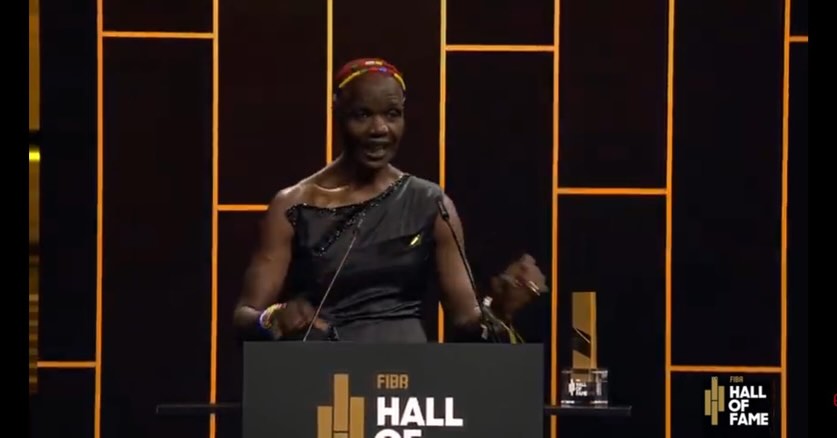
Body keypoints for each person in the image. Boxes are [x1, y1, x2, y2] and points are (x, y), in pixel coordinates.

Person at [232, 58, 547, 343]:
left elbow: (467, 320)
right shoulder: (292, 206)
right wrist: (273, 318)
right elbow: (244, 316)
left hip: (407, 381)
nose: (379, 129)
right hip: (323, 380)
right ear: (337, 111)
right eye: (363, 114)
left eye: (392, 114)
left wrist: (500, 308)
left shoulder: (431, 204)